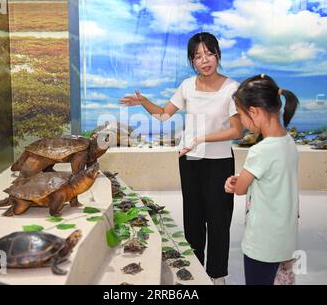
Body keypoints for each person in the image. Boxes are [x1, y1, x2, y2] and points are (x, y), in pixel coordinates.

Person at [119, 32, 242, 284]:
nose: (204, 60)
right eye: (198, 56)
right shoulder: (187, 85)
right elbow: (164, 114)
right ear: (192, 61)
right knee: (193, 220)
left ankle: (217, 276)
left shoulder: (232, 88)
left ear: (217, 54)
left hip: (219, 162)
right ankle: (195, 275)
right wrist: (144, 101)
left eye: (209, 53)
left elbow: (237, 130)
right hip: (190, 161)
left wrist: (202, 138)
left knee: (218, 221)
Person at [224, 74, 300, 285]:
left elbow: (239, 189)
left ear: (254, 112)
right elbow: (273, 177)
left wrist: (233, 182)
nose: (243, 122)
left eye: (241, 114)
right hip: (284, 240)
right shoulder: (288, 142)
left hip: (262, 244)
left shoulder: (260, 150)